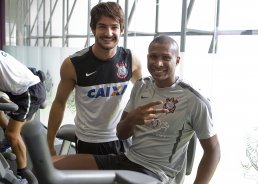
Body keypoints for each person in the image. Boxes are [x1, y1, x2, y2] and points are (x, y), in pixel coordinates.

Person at [52, 35, 221, 184]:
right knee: (50, 164)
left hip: (157, 174)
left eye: (166, 58)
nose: (158, 63)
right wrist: (132, 119)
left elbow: (213, 151)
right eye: (153, 57)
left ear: (177, 60)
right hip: (127, 159)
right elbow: (121, 134)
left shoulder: (194, 100)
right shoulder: (141, 86)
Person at [47, 1, 142, 156]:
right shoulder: (73, 64)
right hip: (88, 141)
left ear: (122, 29)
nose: (109, 33)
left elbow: (144, 94)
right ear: (93, 29)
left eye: (114, 27)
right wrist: (49, 143)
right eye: (102, 26)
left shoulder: (131, 60)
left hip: (121, 138)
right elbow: (59, 102)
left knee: (119, 180)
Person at [0, 50, 46, 183]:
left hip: (29, 92)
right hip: (21, 89)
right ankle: (8, 143)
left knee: (12, 134)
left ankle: (23, 174)